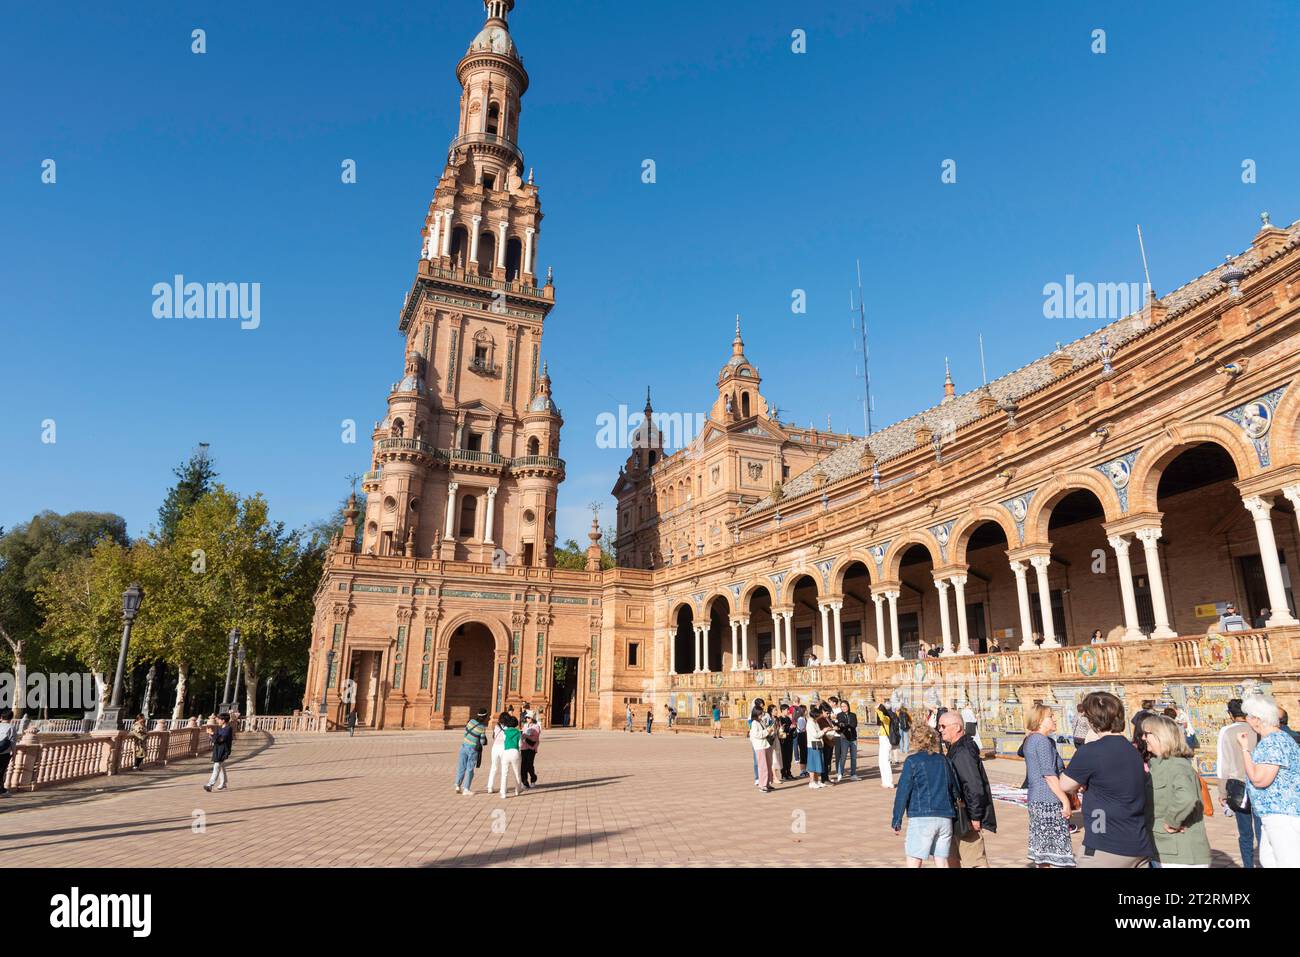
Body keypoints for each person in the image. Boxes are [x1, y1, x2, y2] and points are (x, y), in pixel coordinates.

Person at [1060, 691, 1155, 868]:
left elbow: (1065, 784)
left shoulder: (1091, 751)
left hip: (1105, 845)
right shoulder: (1132, 751)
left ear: (1092, 721)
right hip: (1138, 843)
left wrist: (1082, 783)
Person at [1237, 695, 1300, 867]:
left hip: (1282, 815)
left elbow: (1259, 780)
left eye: (1248, 716)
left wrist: (1244, 750)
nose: (1247, 721)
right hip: (1275, 814)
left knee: (1287, 862)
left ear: (1257, 719)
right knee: (1269, 861)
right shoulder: (1279, 738)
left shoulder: (1273, 742)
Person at [1142, 714, 1210, 868]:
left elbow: (1186, 797)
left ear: (1161, 736)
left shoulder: (1177, 766)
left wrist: (1173, 821)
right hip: (1164, 848)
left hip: (1179, 853)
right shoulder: (1159, 765)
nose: (1144, 738)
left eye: (1147, 734)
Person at [891, 723, 959, 867]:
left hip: (921, 817)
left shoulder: (912, 761)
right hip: (945, 817)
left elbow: (903, 792)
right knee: (942, 861)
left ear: (915, 741)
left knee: (915, 859)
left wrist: (897, 820)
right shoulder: (944, 760)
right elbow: (954, 789)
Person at [939, 711, 995, 867]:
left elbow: (974, 786)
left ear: (957, 727)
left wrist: (975, 816)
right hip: (956, 814)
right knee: (952, 858)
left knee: (974, 860)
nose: (940, 730)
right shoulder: (956, 748)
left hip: (966, 815)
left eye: (943, 726)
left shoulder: (963, 751)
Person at [1022, 704, 1075, 867]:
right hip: (1048, 801)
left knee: (1044, 854)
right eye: (1050, 716)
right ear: (1039, 720)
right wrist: (1065, 802)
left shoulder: (1032, 739)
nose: (1054, 719)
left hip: (1037, 799)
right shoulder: (1042, 741)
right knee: (1056, 853)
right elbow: (1049, 775)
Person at [1216, 698, 1262, 867]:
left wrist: (1222, 791)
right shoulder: (1255, 728)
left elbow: (1223, 763)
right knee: (1261, 830)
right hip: (1258, 782)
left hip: (1238, 785)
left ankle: (1248, 864)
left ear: (1230, 714)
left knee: (1245, 833)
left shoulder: (1227, 731)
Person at [455, 708, 489, 794]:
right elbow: (482, 741)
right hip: (472, 749)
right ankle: (466, 789)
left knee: (461, 766)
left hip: (463, 746)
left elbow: (466, 731)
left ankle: (457, 785)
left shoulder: (470, 721)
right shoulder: (482, 727)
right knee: (470, 768)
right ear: (485, 716)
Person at [203, 713, 234, 793]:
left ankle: (210, 785)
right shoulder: (219, 729)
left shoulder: (228, 729)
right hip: (217, 749)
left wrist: (213, 734)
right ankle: (223, 783)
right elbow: (215, 739)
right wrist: (210, 734)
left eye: (219, 719)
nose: (217, 721)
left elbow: (222, 739)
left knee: (217, 766)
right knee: (221, 766)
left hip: (223, 750)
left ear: (223, 720)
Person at [750, 704, 775, 792]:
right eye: (760, 714)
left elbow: (765, 732)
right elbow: (757, 735)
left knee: (768, 765)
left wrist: (770, 730)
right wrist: (767, 731)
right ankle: (762, 785)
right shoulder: (754, 723)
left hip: (766, 745)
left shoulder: (761, 722)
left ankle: (767, 783)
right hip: (760, 746)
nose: (762, 716)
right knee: (763, 766)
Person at [498, 715, 523, 798]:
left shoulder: (504, 732)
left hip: (506, 752)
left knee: (504, 774)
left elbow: (503, 741)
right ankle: (517, 790)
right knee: (517, 773)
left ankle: (503, 792)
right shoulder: (518, 732)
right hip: (515, 752)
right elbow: (520, 745)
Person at [805, 701, 828, 789]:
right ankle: (811, 781)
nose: (819, 717)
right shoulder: (810, 723)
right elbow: (816, 734)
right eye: (818, 715)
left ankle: (817, 780)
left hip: (817, 743)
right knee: (812, 764)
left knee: (818, 763)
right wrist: (824, 731)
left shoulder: (815, 722)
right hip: (812, 745)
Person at [835, 699, 859, 781]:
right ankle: (840, 773)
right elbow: (839, 726)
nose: (843, 708)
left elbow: (854, 725)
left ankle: (853, 774)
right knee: (843, 756)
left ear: (848, 706)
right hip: (844, 738)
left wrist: (845, 725)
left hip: (853, 738)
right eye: (842, 706)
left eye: (845, 706)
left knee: (854, 757)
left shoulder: (853, 715)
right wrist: (844, 725)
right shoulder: (839, 715)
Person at [876, 702, 894, 788]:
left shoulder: (887, 718)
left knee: (886, 761)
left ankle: (889, 782)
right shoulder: (882, 724)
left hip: (886, 741)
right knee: (881, 762)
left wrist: (878, 710)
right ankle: (884, 781)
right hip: (882, 742)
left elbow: (882, 718)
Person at [520, 714, 541, 788]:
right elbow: (522, 735)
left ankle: (533, 779)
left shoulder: (536, 726)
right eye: (526, 717)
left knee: (529, 765)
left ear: (532, 718)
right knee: (523, 766)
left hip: (532, 748)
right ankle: (524, 782)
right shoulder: (525, 726)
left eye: (529, 717)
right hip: (523, 747)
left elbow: (535, 738)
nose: (527, 719)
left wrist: (525, 736)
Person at [0, 707, 17, 795]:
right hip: (4, 753)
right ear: (11, 718)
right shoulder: (11, 727)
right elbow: (13, 742)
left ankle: (2, 790)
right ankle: (2, 791)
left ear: (1, 718)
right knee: (1, 772)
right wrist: (14, 754)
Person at [777, 704, 796, 781]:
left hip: (789, 740)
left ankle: (788, 772)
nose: (788, 711)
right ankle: (783, 774)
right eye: (787, 710)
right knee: (784, 758)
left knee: (789, 758)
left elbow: (790, 730)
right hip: (783, 741)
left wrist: (793, 728)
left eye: (788, 710)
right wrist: (789, 728)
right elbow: (781, 731)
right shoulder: (780, 719)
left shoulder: (788, 718)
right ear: (782, 710)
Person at [795, 705, 809, 776]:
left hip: (805, 736)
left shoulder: (804, 718)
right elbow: (802, 729)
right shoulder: (800, 719)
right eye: (806, 710)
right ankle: (802, 770)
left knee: (805, 753)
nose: (807, 711)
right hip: (802, 736)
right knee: (803, 753)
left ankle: (805, 769)